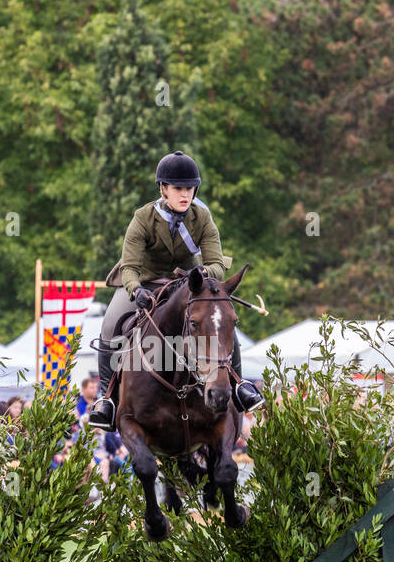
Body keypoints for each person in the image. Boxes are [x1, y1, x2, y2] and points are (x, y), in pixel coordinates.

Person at [87, 149, 262, 429]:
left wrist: (201, 273)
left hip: (187, 283)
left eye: (190, 188)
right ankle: (106, 400)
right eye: (178, 188)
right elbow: (129, 267)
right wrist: (135, 291)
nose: (185, 194)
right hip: (144, 280)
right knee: (110, 323)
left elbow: (217, 264)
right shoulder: (143, 218)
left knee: (222, 323)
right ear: (163, 189)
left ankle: (240, 387)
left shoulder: (202, 218)